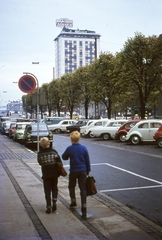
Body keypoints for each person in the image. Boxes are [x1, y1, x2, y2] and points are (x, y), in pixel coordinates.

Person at [62, 131, 91, 219]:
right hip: (83, 170)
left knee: (71, 186)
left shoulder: (70, 148)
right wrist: (88, 170)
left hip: (74, 171)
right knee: (83, 188)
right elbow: (87, 160)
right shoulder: (84, 148)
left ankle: (73, 201)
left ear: (71, 139)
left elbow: (64, 157)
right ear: (79, 139)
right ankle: (84, 207)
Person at [37, 137, 62, 214]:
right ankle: (54, 200)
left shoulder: (40, 153)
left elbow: (40, 162)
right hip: (54, 174)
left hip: (46, 174)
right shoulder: (54, 152)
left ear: (41, 145)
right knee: (54, 187)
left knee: (47, 190)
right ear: (49, 143)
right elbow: (59, 161)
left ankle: (48, 206)